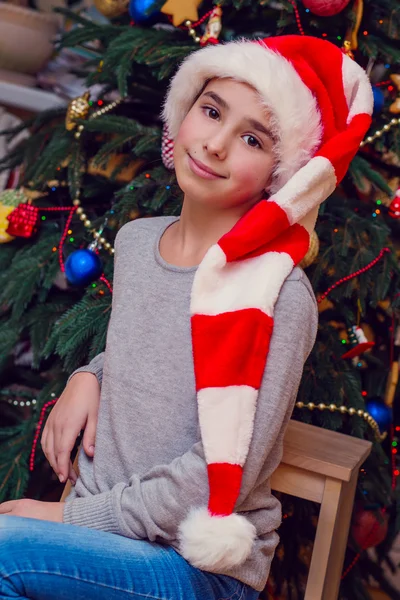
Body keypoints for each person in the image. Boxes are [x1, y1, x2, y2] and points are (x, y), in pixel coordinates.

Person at [0, 34, 372, 599]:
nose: (217, 144)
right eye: (211, 111)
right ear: (182, 113)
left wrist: (68, 521)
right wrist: (89, 375)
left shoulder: (277, 294)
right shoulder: (138, 240)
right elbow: (151, 347)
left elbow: (220, 471)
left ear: (280, 174)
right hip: (105, 538)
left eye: (252, 138)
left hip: (194, 563)